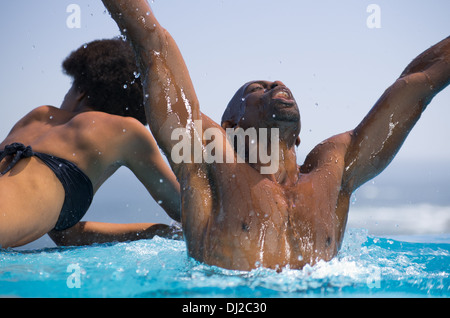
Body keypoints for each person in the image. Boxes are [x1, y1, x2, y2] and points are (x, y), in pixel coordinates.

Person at [102, 0, 450, 271]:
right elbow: (152, 45)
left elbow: (415, 87)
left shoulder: (334, 169)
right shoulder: (209, 166)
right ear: (231, 126)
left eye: (279, 84)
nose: (277, 84)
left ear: (297, 137)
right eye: (258, 88)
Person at [0, 38, 181, 248]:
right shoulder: (125, 130)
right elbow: (185, 209)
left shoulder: (37, 116)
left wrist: (158, 232)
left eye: (70, 87)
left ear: (80, 92)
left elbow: (66, 235)